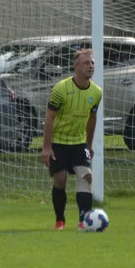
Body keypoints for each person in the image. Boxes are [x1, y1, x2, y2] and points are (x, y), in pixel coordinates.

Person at [41, 48, 104, 230]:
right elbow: (49, 118)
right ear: (76, 66)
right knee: (60, 180)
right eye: (86, 63)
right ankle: (60, 220)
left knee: (87, 176)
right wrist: (46, 147)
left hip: (78, 143)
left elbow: (92, 119)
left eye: (92, 62)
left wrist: (88, 145)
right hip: (58, 143)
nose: (91, 66)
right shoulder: (61, 89)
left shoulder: (96, 92)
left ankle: (84, 221)